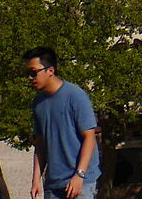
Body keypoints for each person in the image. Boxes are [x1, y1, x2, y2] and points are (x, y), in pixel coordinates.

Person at [26, 48, 99, 199]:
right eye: (27, 73)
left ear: (50, 70)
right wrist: (35, 180)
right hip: (53, 185)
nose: (30, 78)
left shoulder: (76, 96)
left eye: (34, 73)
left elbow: (90, 138)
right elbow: (40, 145)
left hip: (80, 184)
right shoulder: (38, 103)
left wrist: (80, 176)